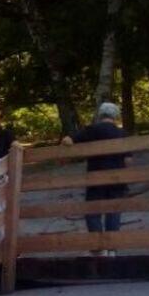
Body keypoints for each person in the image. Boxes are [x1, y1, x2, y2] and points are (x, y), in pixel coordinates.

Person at [62, 101, 131, 251]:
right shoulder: (122, 133)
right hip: (117, 179)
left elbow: (68, 140)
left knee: (93, 212)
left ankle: (98, 248)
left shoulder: (92, 130)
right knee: (113, 212)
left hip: (95, 179)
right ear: (115, 116)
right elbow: (128, 160)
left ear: (100, 115)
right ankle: (112, 248)